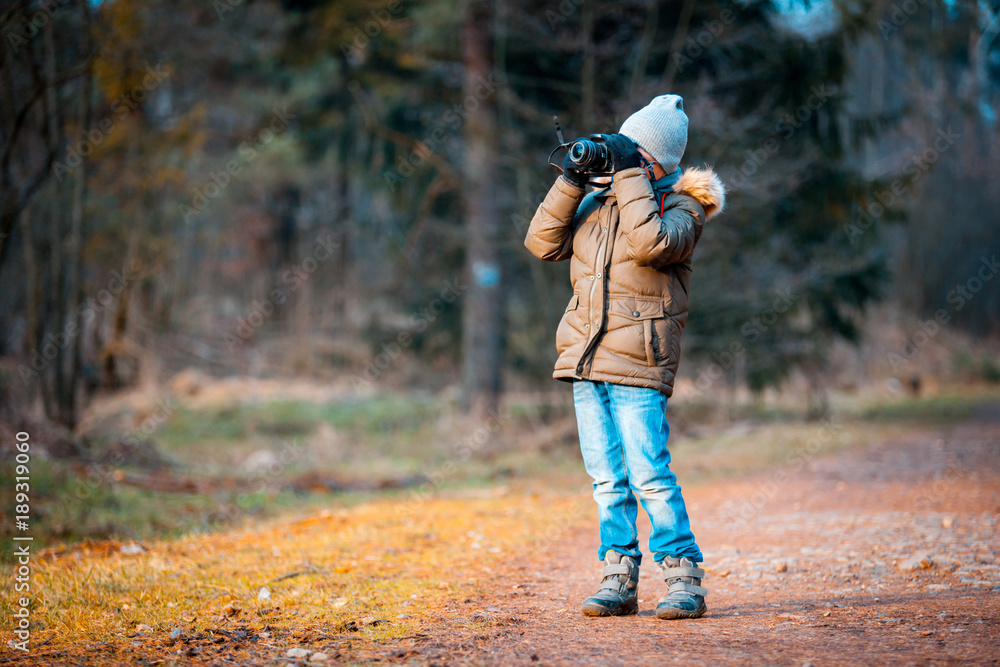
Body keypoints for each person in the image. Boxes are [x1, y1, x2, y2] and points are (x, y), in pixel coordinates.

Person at [524, 94, 725, 619]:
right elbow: (541, 243)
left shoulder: (683, 206)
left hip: (639, 363)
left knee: (649, 475)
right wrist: (571, 180)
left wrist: (629, 172)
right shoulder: (598, 202)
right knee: (607, 479)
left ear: (655, 159)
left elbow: (650, 245)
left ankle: (683, 579)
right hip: (587, 360)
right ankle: (618, 577)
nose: (618, 156)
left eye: (632, 150)